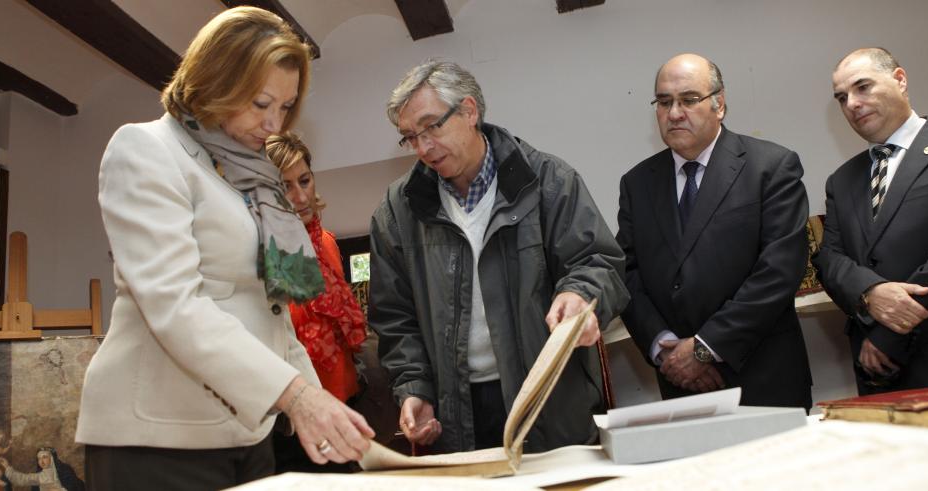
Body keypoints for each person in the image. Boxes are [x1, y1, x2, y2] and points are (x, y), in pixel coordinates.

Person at [75, 7, 373, 489]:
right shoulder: (147, 150)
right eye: (260, 103)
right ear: (216, 79)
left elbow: (272, 314)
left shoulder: (251, 176)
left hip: (244, 430)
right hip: (158, 439)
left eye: (285, 106)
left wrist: (321, 407)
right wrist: (295, 396)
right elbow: (174, 304)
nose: (274, 124)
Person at [369, 60, 629, 454]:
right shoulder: (397, 210)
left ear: (470, 111)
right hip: (454, 410)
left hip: (549, 398)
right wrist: (413, 388)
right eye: (410, 137)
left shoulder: (549, 181)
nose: (423, 148)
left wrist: (580, 293)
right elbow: (394, 317)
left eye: (432, 127)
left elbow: (596, 261)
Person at [616, 53, 812, 409]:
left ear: (719, 105)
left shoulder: (771, 167)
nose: (674, 113)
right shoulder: (637, 183)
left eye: (689, 100)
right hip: (680, 386)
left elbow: (780, 270)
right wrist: (665, 349)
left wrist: (706, 348)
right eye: (663, 102)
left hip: (763, 379)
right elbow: (627, 275)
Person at [813, 47, 928, 394]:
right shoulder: (841, 179)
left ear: (899, 80)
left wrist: (890, 332)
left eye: (863, 87)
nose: (852, 103)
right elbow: (830, 259)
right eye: (841, 97)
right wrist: (868, 293)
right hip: (876, 372)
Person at [265, 132, 369, 472]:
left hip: (346, 406)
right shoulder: (262, 256)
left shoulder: (326, 243)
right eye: (286, 186)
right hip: (294, 423)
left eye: (305, 180)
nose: (300, 196)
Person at [3, 447, 85, 491]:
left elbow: (76, 487)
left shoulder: (65, 471)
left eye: (44, 457)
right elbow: (23, 479)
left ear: (52, 458)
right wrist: (8, 468)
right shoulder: (39, 476)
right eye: (39, 458)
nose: (41, 461)